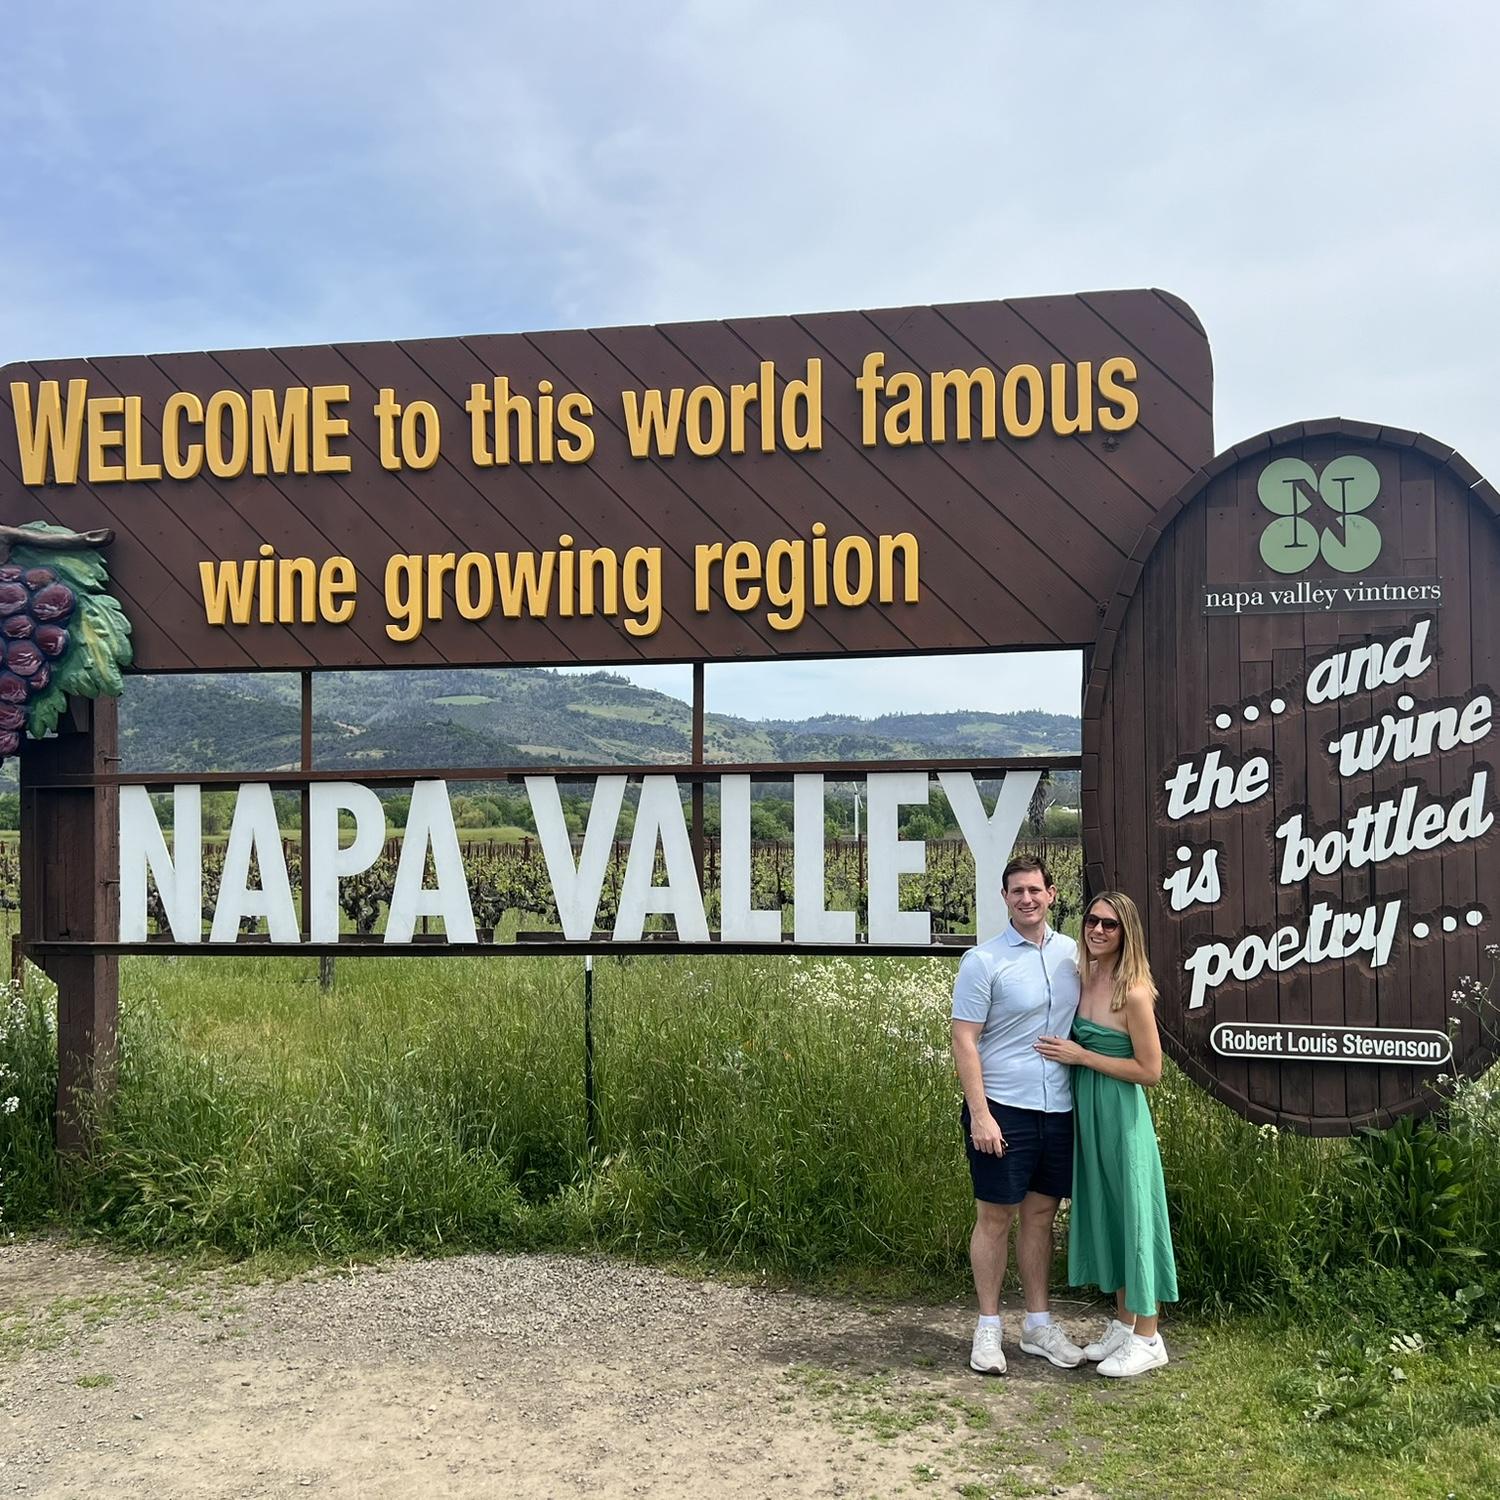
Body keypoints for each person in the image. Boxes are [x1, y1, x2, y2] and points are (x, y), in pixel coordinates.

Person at [1035, 891, 1178, 1377]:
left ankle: (1149, 1337)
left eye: (1109, 925)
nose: (1097, 930)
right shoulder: (1085, 977)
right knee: (1111, 1214)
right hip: (1088, 1111)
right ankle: (1124, 1323)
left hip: (1121, 1115)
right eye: (1092, 920)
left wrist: (1082, 1056)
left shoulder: (1132, 992)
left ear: (1126, 933)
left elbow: (1151, 1071)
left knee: (1135, 1215)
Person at [951, 857, 1084, 1376]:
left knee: (1041, 1216)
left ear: (1052, 894)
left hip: (1058, 1107)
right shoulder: (983, 961)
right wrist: (980, 1115)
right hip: (1003, 1107)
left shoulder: (1074, 954)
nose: (1026, 899)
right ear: (1004, 898)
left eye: (1034, 890)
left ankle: (1037, 1325)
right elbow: (965, 1039)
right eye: (1016, 891)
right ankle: (988, 1327)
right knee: (995, 1217)